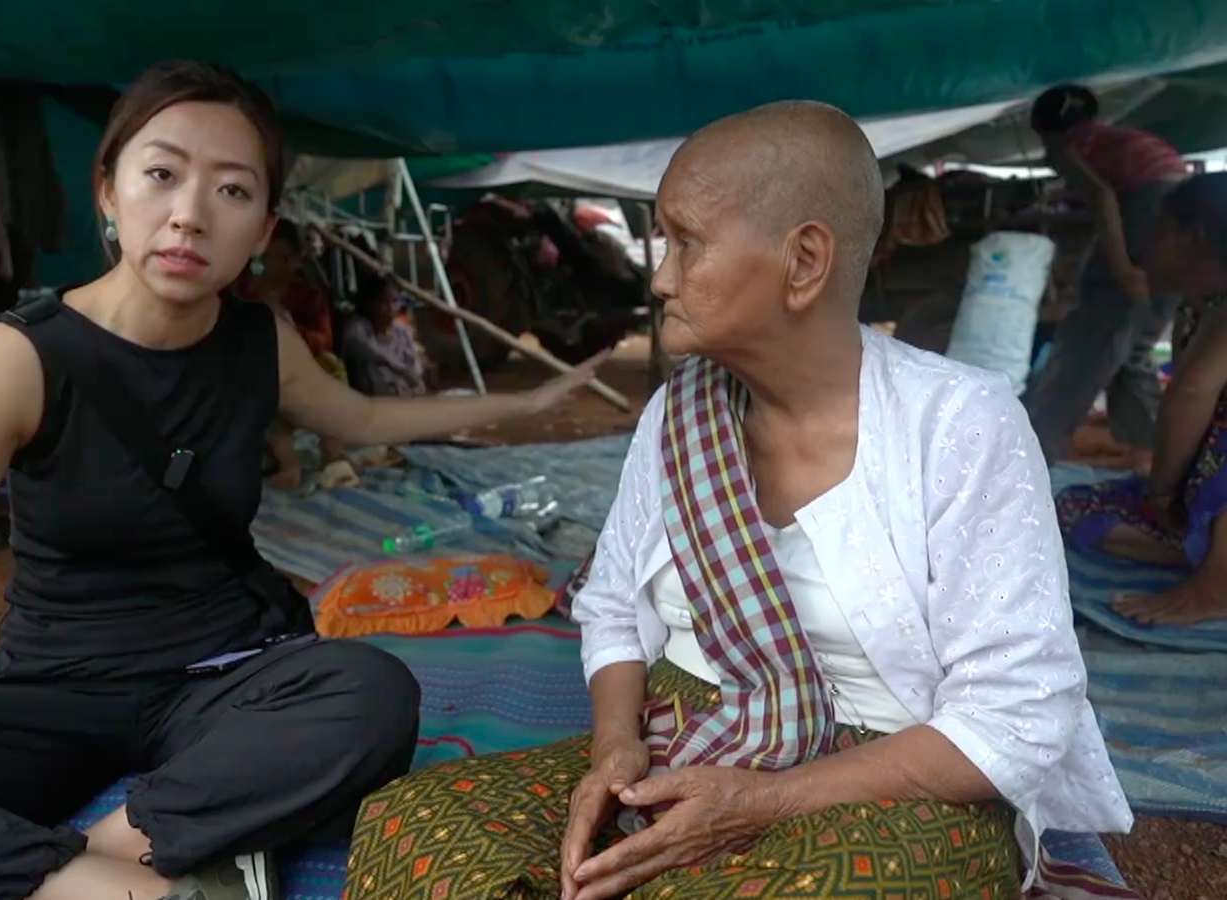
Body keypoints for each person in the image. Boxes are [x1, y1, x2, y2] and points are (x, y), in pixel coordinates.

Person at [0, 60, 607, 900]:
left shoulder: (258, 342)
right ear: (108, 192)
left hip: (227, 678)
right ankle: (89, 881)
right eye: (161, 174)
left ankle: (96, 861)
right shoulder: (21, 359)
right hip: (51, 694)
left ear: (264, 223)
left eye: (231, 190)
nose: (189, 213)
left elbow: (363, 420)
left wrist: (524, 406)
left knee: (369, 694)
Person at [344, 101, 1132, 900]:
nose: (658, 275)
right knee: (413, 827)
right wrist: (616, 747)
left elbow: (1017, 717)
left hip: (890, 771)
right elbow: (613, 606)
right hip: (686, 731)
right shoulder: (676, 416)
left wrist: (760, 802)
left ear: (803, 262)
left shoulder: (958, 424)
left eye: (686, 240)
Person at [1056, 174, 1227, 626]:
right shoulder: (1202, 305)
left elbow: (1191, 393)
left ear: (1193, 238)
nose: (1146, 249)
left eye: (1159, 233)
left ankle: (1216, 586)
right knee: (1078, 510)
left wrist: (1165, 489)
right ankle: (1202, 549)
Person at [1024, 84, 1195, 472]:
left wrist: (1120, 269)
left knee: (1089, 345)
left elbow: (1103, 199)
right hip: (1185, 213)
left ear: (1045, 131)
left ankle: (1032, 450)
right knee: (1133, 348)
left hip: (1149, 214)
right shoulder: (1113, 139)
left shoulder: (1066, 148)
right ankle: (1153, 459)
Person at [239, 219, 356, 489]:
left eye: (283, 258)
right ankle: (286, 464)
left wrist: (293, 337)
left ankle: (333, 453)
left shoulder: (307, 295)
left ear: (295, 260)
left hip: (302, 368)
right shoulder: (243, 291)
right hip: (257, 372)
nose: (274, 265)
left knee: (330, 372)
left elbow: (323, 338)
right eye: (268, 257)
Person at [340, 272, 426, 397]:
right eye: (384, 303)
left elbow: (415, 371)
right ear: (369, 303)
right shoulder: (358, 329)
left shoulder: (402, 332)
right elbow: (371, 353)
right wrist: (402, 370)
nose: (391, 309)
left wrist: (415, 379)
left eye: (395, 301)